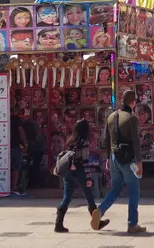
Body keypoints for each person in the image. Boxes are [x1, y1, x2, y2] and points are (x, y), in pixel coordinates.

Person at [91, 89, 146, 234]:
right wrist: (139, 161)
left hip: (114, 157)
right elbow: (135, 141)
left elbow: (107, 140)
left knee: (115, 189)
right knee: (134, 191)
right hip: (128, 159)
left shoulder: (111, 117)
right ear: (133, 102)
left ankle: (100, 210)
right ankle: (132, 224)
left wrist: (108, 158)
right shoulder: (131, 118)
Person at [54, 118, 107, 233]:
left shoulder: (71, 140)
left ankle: (58, 223)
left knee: (67, 197)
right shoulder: (84, 142)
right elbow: (85, 160)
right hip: (79, 171)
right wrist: (88, 177)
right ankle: (96, 222)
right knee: (89, 196)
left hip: (68, 171)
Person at [10, 113, 27, 195]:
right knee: (16, 167)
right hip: (15, 146)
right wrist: (25, 144)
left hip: (2, 147)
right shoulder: (15, 118)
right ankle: (13, 187)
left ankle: (6, 186)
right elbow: (21, 131)